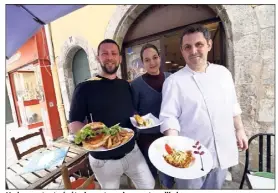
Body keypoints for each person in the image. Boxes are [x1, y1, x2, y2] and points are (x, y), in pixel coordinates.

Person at [159, 24, 248, 189]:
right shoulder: (174, 81)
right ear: (182, 51)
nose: (193, 51)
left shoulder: (223, 74)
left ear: (209, 45)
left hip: (222, 149)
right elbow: (168, 117)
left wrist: (240, 129)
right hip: (191, 155)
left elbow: (233, 105)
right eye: (187, 47)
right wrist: (174, 146)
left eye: (198, 44)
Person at [68, 39, 155, 189]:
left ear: (120, 58)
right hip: (104, 160)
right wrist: (91, 134)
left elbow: (130, 111)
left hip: (132, 151)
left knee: (149, 185)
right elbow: (73, 123)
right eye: (105, 53)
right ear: (98, 58)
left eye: (114, 53)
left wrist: (139, 120)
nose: (110, 57)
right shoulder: (84, 87)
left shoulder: (125, 85)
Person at [130, 44, 175, 189]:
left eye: (155, 57)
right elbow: (133, 110)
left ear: (160, 58)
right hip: (146, 140)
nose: (152, 63)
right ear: (143, 63)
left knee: (169, 175)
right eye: (147, 60)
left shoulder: (171, 79)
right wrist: (139, 120)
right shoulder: (136, 85)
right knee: (151, 177)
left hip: (169, 136)